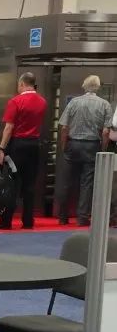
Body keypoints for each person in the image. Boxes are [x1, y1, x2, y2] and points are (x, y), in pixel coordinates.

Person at [0, 72, 47, 230]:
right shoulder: (42, 102)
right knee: (30, 184)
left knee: (11, 182)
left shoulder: (15, 101)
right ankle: (28, 220)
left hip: (17, 145)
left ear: (22, 84)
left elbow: (9, 128)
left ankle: (6, 220)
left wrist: (1, 148)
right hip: (34, 145)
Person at [55, 75, 113, 226]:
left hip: (73, 144)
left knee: (67, 181)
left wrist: (64, 145)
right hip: (92, 146)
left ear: (84, 86)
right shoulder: (105, 104)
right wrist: (102, 148)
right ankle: (82, 217)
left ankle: (62, 216)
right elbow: (106, 131)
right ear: (98, 87)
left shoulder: (74, 102)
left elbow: (64, 127)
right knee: (87, 183)